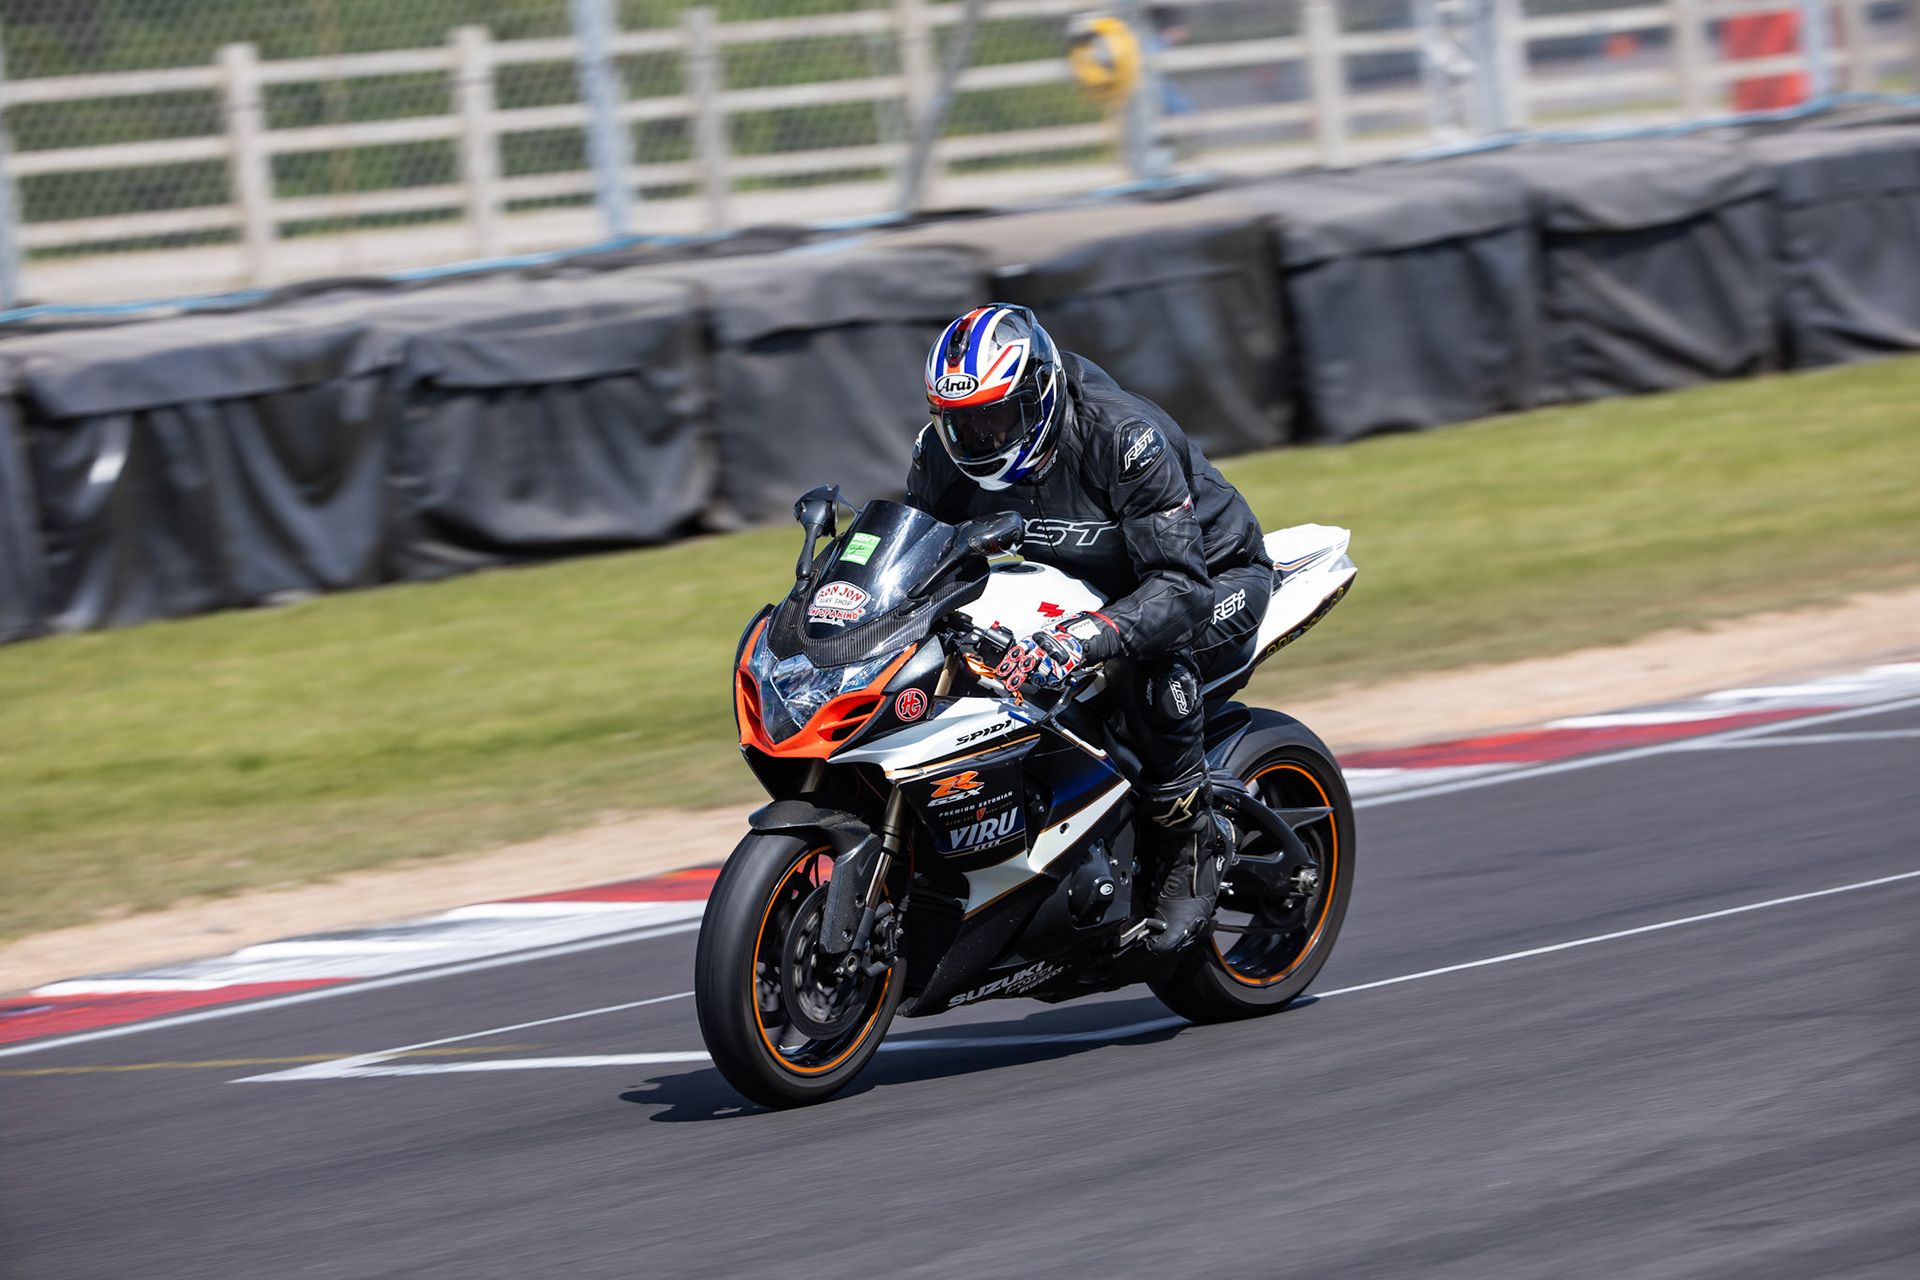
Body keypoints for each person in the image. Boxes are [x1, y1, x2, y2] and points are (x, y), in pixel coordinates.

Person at [907, 303, 1273, 954]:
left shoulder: (1123, 437)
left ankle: (1189, 842)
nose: (982, 438)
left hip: (1209, 579)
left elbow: (1179, 588)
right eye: (963, 422)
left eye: (997, 416)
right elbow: (920, 558)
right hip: (1077, 588)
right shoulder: (940, 455)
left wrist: (1083, 638)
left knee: (1146, 662)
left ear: (1041, 395)